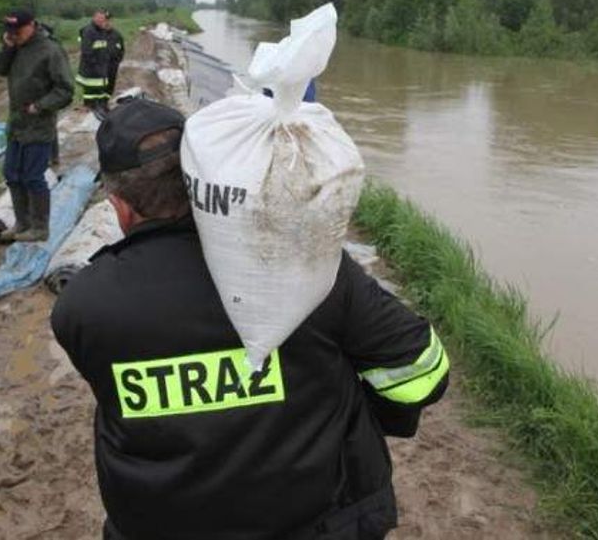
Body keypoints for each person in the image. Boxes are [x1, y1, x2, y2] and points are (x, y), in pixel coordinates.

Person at [50, 100, 450, 540]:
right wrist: (368, 413)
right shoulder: (308, 270)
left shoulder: (82, 307)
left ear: (119, 207)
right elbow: (423, 372)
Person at [0, 10, 75, 242]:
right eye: (9, 31)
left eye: (17, 31)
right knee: (11, 174)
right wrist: (7, 47)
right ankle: (22, 223)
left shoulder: (50, 50)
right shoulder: (15, 46)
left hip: (39, 124)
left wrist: (40, 106)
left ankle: (40, 228)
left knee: (33, 176)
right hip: (17, 123)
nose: (13, 35)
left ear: (31, 26)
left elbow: (66, 90)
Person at [78, 10, 120, 116]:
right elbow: (87, 51)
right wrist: (96, 65)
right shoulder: (89, 31)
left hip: (102, 66)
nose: (102, 21)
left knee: (101, 89)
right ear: (94, 18)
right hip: (92, 68)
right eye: (99, 18)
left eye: (103, 19)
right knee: (91, 90)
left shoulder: (102, 31)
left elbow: (105, 49)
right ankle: (91, 107)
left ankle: (100, 106)